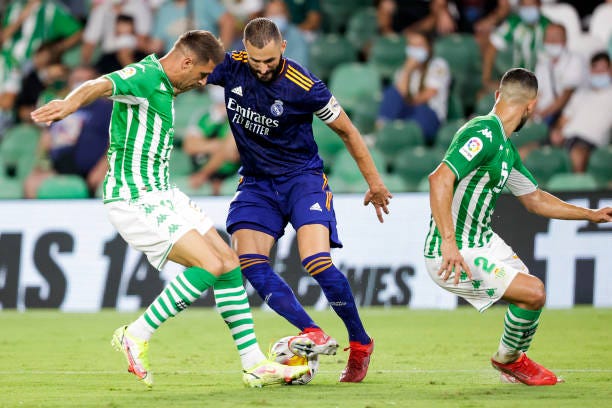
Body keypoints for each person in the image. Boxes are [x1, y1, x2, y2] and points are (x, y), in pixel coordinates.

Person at [31, 30, 309, 388]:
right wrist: (70, 103)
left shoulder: (167, 84)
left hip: (163, 193)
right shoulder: (146, 76)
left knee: (227, 265)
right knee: (208, 264)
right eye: (203, 74)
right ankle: (136, 334)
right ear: (187, 61)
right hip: (133, 197)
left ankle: (254, 363)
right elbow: (100, 84)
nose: (205, 81)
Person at [194, 17, 393, 383]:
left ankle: (361, 343)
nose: (263, 68)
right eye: (257, 62)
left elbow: (348, 131)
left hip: (302, 180)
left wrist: (375, 183)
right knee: (249, 264)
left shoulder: (305, 85)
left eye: (270, 60)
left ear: (282, 46)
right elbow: (187, 66)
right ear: (246, 51)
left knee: (316, 261)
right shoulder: (233, 67)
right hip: (256, 184)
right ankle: (311, 332)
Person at [425, 67, 612, 386]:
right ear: (532, 107)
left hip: (484, 242)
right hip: (454, 250)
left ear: (498, 96)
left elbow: (535, 199)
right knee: (534, 292)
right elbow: (439, 178)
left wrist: (590, 214)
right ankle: (509, 360)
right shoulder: (482, 133)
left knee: (531, 296)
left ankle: (510, 360)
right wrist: (448, 242)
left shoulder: (505, 149)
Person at [24, 66, 111, 198]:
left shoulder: (106, 107)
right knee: (32, 183)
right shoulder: (60, 105)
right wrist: (41, 164)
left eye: (85, 80)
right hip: (60, 167)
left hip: (93, 169)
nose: (80, 84)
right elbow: (46, 140)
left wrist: (104, 166)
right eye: (76, 79)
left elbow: (117, 141)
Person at [377, 31, 451, 144]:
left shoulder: (438, 65)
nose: (415, 49)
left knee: (417, 114)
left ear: (429, 48)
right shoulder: (403, 69)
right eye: (412, 45)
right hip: (408, 112)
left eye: (420, 45)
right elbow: (399, 94)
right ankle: (380, 134)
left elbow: (428, 94)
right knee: (391, 93)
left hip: (430, 114)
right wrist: (407, 70)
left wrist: (404, 103)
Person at [550, 52, 612, 173]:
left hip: (590, 142)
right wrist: (557, 131)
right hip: (565, 139)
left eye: (603, 70)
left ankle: (577, 190)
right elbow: (563, 119)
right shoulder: (580, 95)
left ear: (610, 71)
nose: (599, 74)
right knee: (523, 152)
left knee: (577, 154)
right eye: (596, 70)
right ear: (590, 71)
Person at [481, 0, 550, 95]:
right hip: (514, 82)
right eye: (524, 5)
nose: (528, 9)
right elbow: (492, 47)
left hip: (542, 83)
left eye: (531, 5)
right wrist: (486, 78)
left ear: (539, 5)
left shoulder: (548, 26)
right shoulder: (513, 23)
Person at [534, 23, 586, 127]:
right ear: (544, 41)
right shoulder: (542, 64)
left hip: (565, 115)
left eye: (556, 37)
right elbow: (537, 95)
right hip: (541, 115)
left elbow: (566, 95)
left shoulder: (575, 60)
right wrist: (530, 114)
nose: (552, 41)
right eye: (549, 38)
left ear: (565, 40)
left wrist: (542, 114)